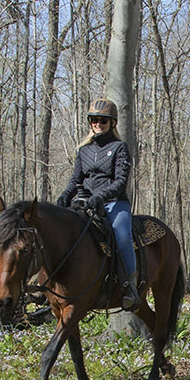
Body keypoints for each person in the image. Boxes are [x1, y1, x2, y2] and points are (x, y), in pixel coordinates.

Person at [57, 99, 140, 312]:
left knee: (123, 236)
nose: (98, 124)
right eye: (94, 120)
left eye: (103, 121)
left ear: (112, 123)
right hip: (85, 201)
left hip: (114, 203)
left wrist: (100, 196)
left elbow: (120, 181)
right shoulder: (84, 150)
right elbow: (76, 180)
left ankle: (130, 287)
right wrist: (66, 195)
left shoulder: (119, 148)